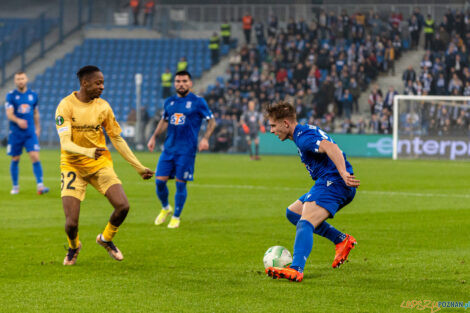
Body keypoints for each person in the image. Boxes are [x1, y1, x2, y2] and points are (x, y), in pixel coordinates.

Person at [55, 65, 154, 266]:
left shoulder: (103, 107)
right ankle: (74, 246)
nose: (102, 87)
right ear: (85, 83)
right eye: (98, 83)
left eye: (103, 83)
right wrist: (87, 151)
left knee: (123, 206)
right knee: (71, 224)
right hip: (72, 165)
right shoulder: (65, 106)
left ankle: (106, 239)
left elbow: (117, 139)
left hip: (100, 164)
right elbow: (65, 143)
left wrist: (138, 167)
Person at [264, 101, 360, 282]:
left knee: (305, 223)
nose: (271, 130)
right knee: (293, 213)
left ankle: (296, 269)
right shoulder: (302, 133)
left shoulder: (303, 137)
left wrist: (343, 173)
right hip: (328, 181)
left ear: (285, 123)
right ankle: (341, 239)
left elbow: (333, 148)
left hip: (335, 182)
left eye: (273, 125)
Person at [147, 71, 216, 229]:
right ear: (174, 83)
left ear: (190, 83)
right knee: (159, 182)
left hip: (186, 151)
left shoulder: (198, 102)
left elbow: (212, 121)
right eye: (178, 81)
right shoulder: (169, 102)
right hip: (168, 149)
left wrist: (205, 138)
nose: (181, 84)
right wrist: (154, 137)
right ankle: (166, 208)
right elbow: (164, 121)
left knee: (180, 184)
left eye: (184, 81)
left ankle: (176, 217)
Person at [5, 71, 49, 195]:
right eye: (18, 79)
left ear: (26, 79)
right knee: (15, 158)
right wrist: (18, 121)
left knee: (35, 156)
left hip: (30, 132)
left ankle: (40, 186)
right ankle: (15, 186)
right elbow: (9, 114)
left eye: (22, 78)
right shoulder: (11, 96)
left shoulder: (33, 95)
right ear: (15, 81)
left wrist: (38, 128)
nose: (20, 81)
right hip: (15, 133)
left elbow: (35, 112)